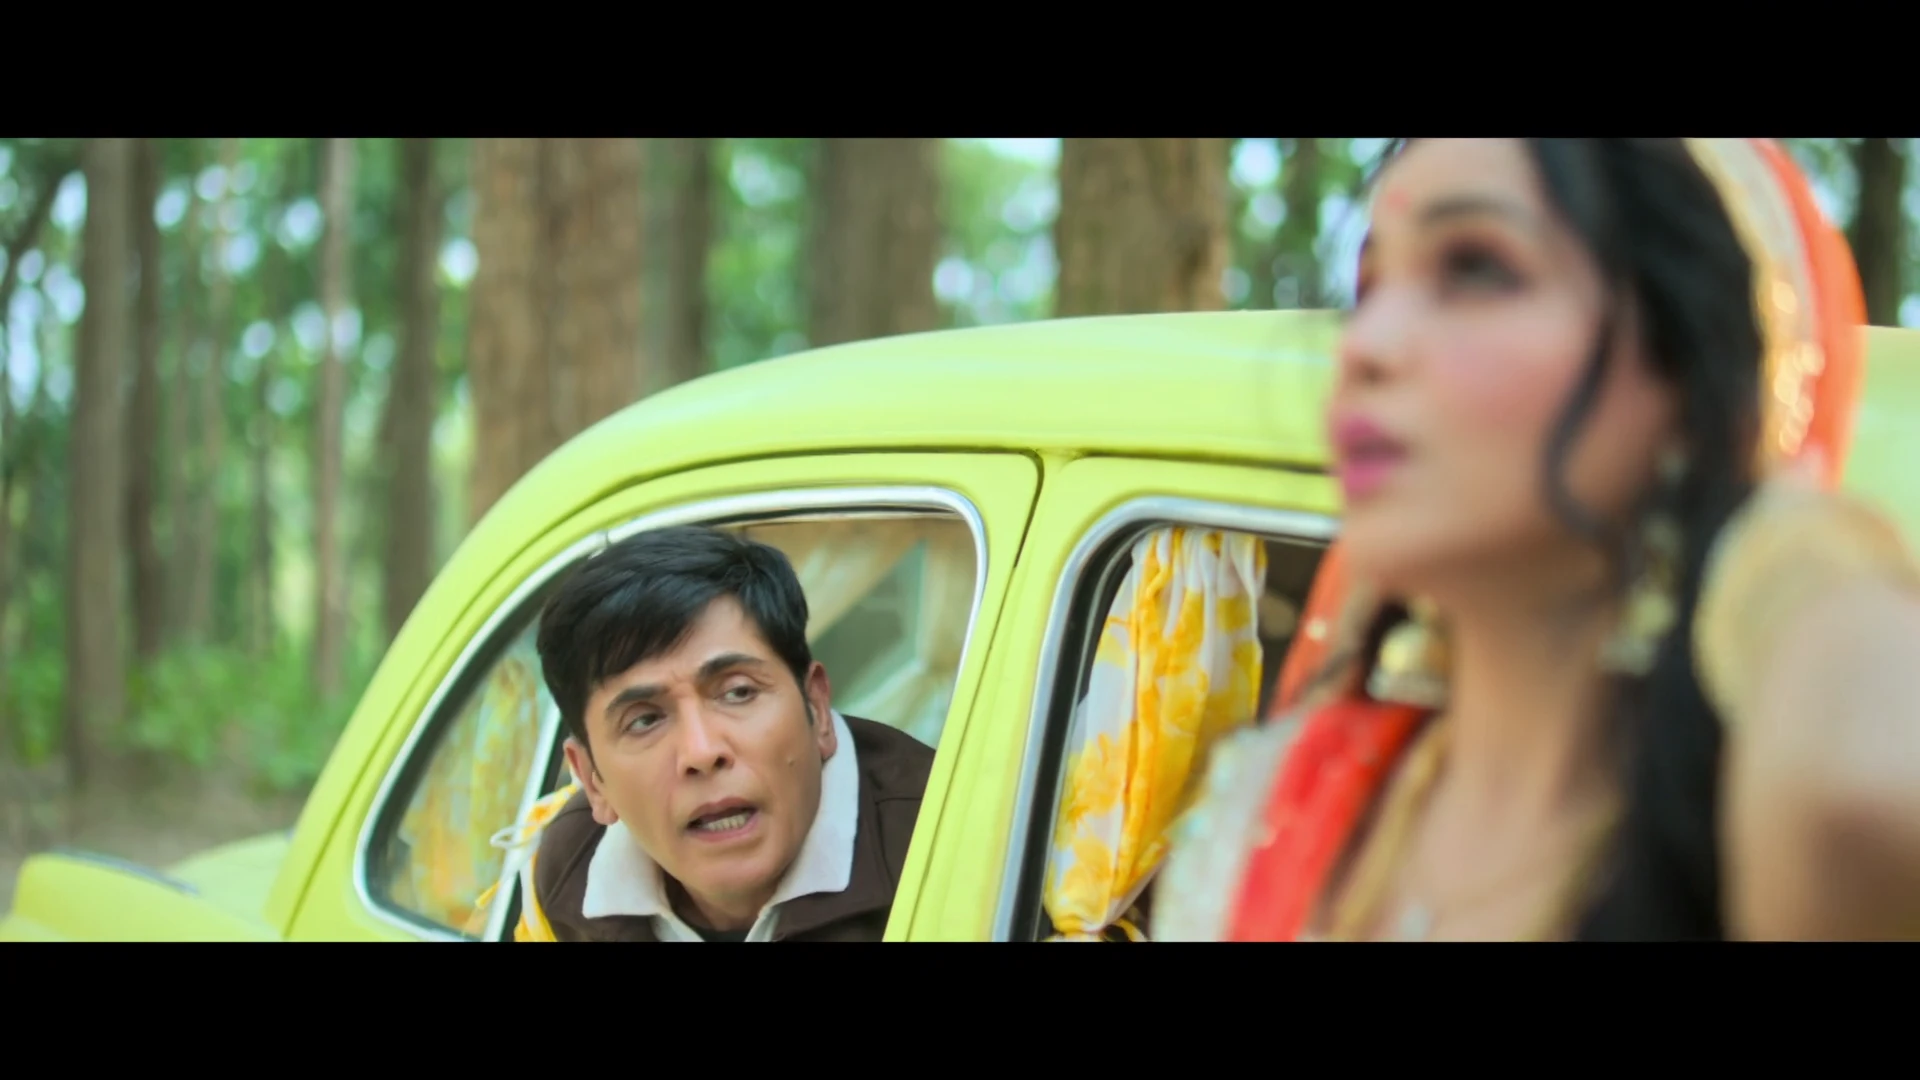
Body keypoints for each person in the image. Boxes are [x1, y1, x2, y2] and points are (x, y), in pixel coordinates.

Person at [1155, 138, 1920, 941]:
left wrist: (1767, 531)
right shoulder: (1267, 818)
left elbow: (1870, 790)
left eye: (1476, 268)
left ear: (1686, 371)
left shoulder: (1751, 827)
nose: (1365, 347)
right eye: (1368, 289)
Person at [521, 525, 935, 941]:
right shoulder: (568, 877)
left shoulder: (941, 841)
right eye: (644, 721)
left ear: (817, 708)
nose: (702, 752)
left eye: (738, 692)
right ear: (592, 780)